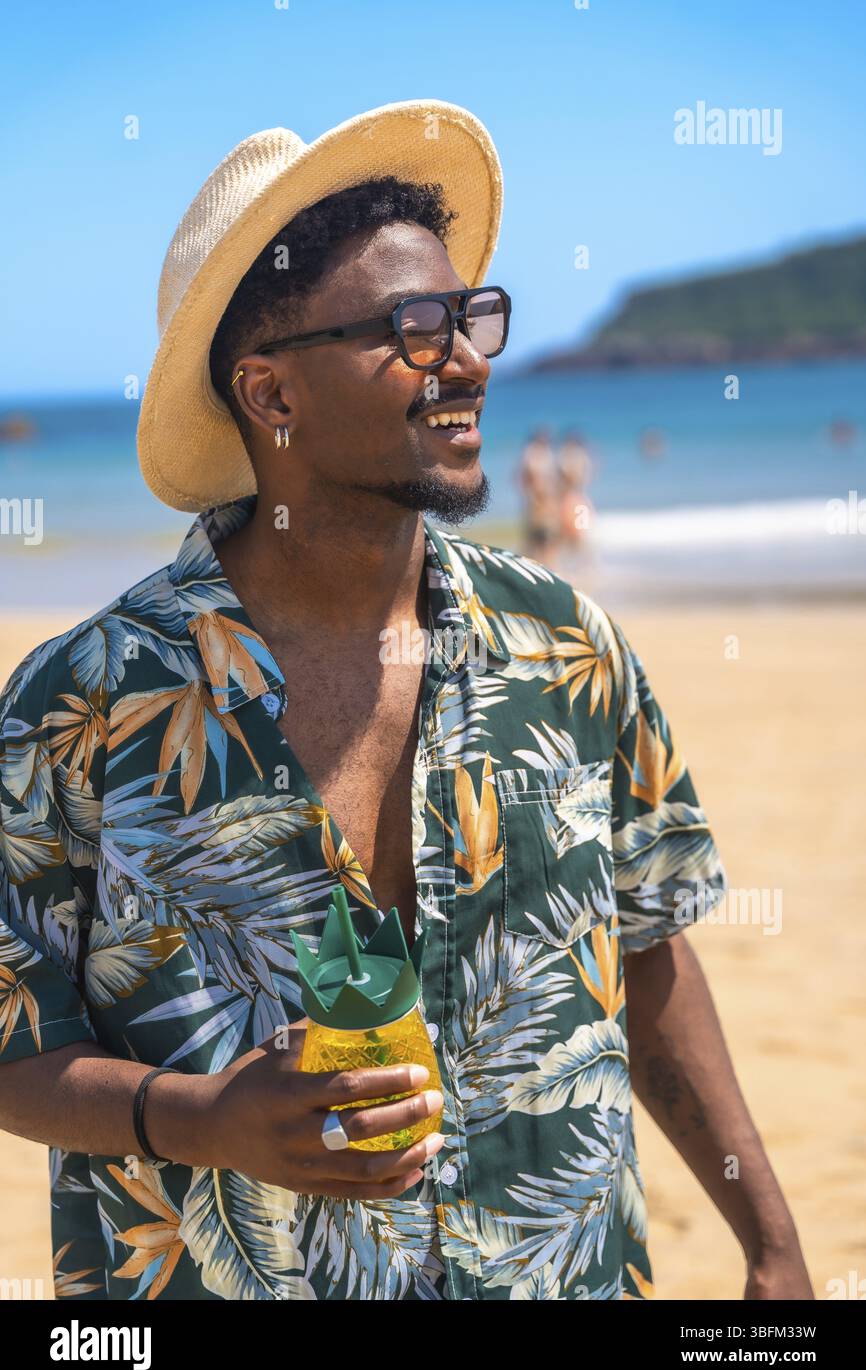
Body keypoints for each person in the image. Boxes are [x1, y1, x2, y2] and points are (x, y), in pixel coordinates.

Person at [0, 100, 812, 1301]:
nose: (469, 358)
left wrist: (772, 1244)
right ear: (270, 394)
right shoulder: (85, 703)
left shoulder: (564, 648)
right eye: (411, 328)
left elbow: (647, 955)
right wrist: (204, 1118)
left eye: (470, 315)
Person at [516, 426, 559, 565]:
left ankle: (542, 566)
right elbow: (529, 477)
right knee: (538, 537)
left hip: (543, 500)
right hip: (538, 500)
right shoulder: (533, 453)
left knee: (545, 536)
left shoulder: (544, 453)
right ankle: (538, 566)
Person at [556, 428, 594, 557]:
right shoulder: (570, 455)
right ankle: (579, 562)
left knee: (577, 532)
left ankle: (580, 562)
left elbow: (574, 476)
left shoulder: (571, 455)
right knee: (572, 531)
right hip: (573, 496)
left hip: (573, 497)